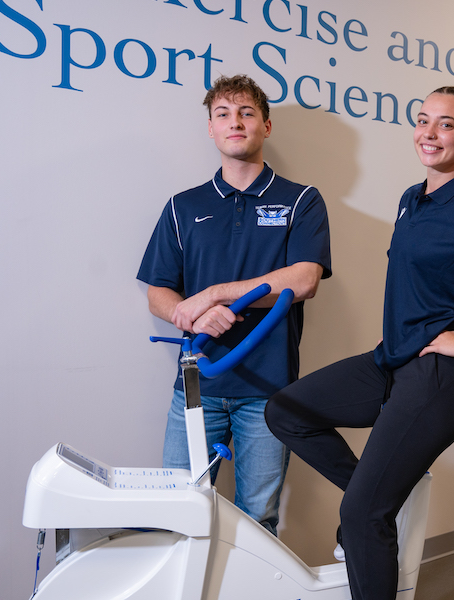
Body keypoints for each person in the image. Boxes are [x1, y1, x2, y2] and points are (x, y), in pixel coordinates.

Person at [265, 87, 454, 600]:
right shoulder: (412, 199)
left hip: (440, 377)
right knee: (286, 411)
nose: (430, 133)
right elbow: (436, 281)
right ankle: (378, 490)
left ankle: (373, 501)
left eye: (447, 124)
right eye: (423, 121)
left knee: (363, 514)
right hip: (393, 357)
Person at [137, 74, 332, 536]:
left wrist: (216, 293)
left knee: (256, 521)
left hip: (267, 390)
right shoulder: (182, 206)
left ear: (266, 125)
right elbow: (158, 293)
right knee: (176, 514)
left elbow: (305, 280)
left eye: (246, 113)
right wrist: (193, 313)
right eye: (223, 114)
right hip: (196, 387)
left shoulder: (301, 200)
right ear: (211, 128)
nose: (235, 122)